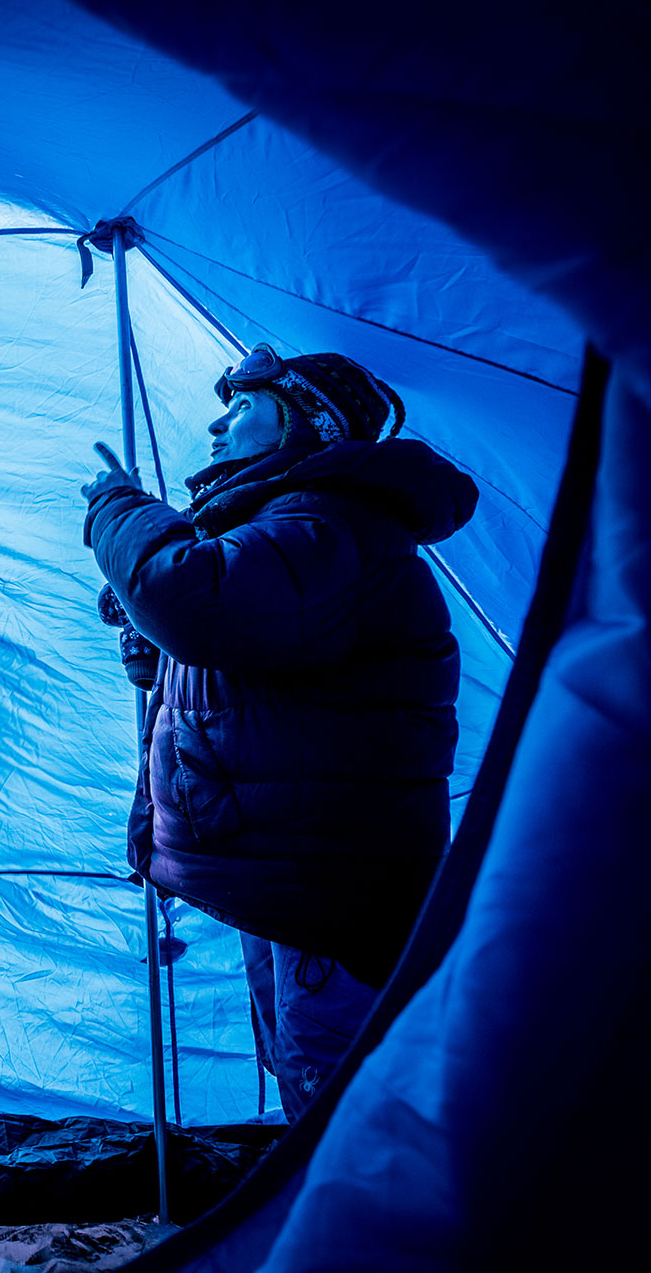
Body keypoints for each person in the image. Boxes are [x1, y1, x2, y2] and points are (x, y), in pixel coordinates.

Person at [81, 344, 478, 1122]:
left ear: (306, 420)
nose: (217, 424)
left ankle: (368, 1240)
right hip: (286, 884)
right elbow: (243, 670)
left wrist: (118, 510)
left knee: (338, 1096)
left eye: (244, 407)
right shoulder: (299, 526)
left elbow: (200, 603)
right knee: (303, 1073)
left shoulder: (333, 521)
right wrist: (153, 651)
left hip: (326, 894)